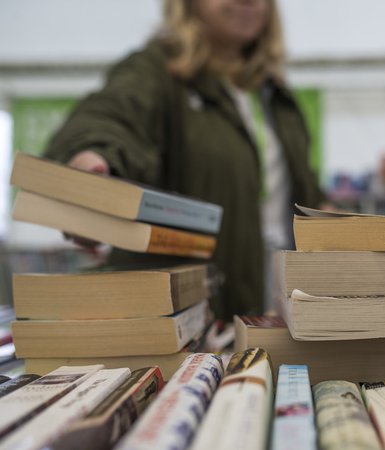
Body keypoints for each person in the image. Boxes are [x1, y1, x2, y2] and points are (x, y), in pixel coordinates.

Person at [44, 0, 326, 319]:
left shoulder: (278, 97)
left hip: (274, 308)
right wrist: (89, 162)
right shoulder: (156, 73)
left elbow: (301, 192)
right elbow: (110, 118)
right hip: (190, 317)